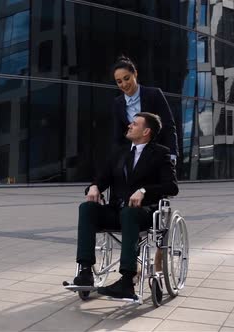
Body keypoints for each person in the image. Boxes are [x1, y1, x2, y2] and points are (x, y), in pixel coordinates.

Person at [73, 112, 179, 299]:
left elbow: (171, 186)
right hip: (116, 210)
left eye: (135, 124)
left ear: (146, 131)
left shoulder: (160, 153)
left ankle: (127, 280)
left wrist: (144, 190)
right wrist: (94, 187)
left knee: (129, 213)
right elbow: (101, 179)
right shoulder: (119, 152)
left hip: (143, 213)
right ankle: (85, 271)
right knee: (87, 208)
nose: (129, 126)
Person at [111, 56, 178, 163]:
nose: (124, 84)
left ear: (135, 74)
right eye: (119, 81)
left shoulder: (154, 94)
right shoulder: (118, 103)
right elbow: (118, 136)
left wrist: (173, 154)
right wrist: (116, 161)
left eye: (126, 78)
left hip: (157, 156)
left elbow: (168, 125)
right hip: (133, 159)